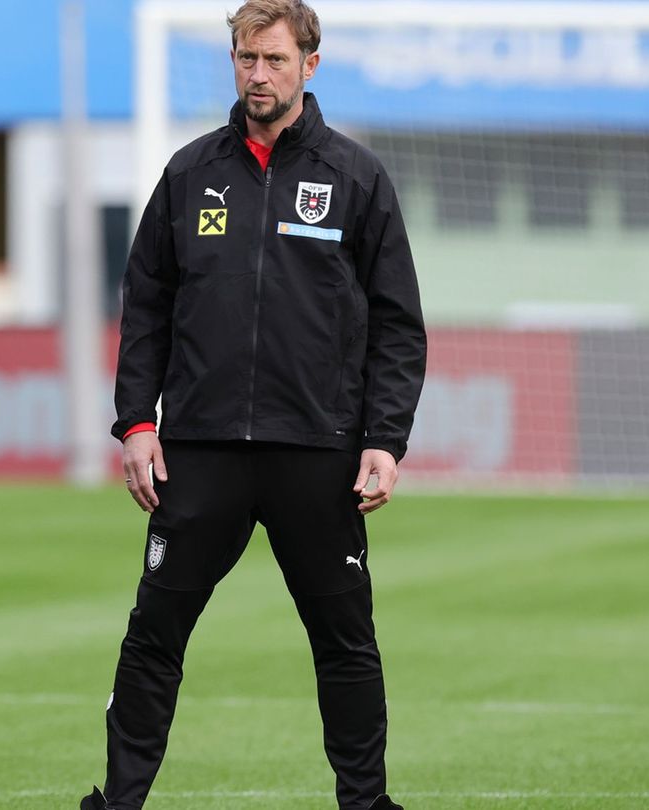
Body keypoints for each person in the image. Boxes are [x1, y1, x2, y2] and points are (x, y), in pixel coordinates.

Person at [80, 2, 425, 809]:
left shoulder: (356, 177)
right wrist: (136, 423)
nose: (257, 75)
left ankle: (366, 804)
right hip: (201, 452)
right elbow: (145, 308)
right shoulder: (189, 173)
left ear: (310, 63)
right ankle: (118, 801)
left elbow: (399, 322)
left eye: (272, 59)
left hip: (318, 451)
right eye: (245, 58)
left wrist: (386, 438)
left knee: (345, 645)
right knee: (154, 636)